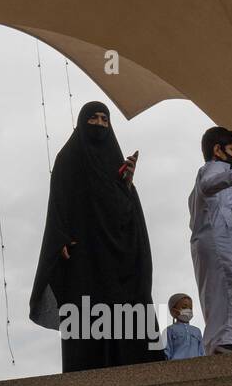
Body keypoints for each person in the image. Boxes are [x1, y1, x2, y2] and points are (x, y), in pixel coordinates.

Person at [29, 101, 164, 371]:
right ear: (82, 123)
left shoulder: (115, 163)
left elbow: (126, 210)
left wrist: (126, 186)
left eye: (105, 119)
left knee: (127, 309)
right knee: (87, 314)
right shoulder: (68, 158)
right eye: (94, 119)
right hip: (86, 254)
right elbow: (58, 203)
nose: (100, 124)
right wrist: (60, 239)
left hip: (119, 255)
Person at [188, 127, 232, 353]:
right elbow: (209, 184)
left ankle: (223, 342)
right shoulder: (212, 169)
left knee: (219, 294)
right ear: (217, 150)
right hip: (219, 240)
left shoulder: (215, 174)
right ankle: (229, 339)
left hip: (215, 241)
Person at [163, 293, 204, 360]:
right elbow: (166, 352)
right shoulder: (169, 330)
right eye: (184, 307)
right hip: (175, 367)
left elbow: (202, 352)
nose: (188, 310)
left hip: (196, 366)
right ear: (173, 311)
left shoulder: (197, 331)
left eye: (190, 308)